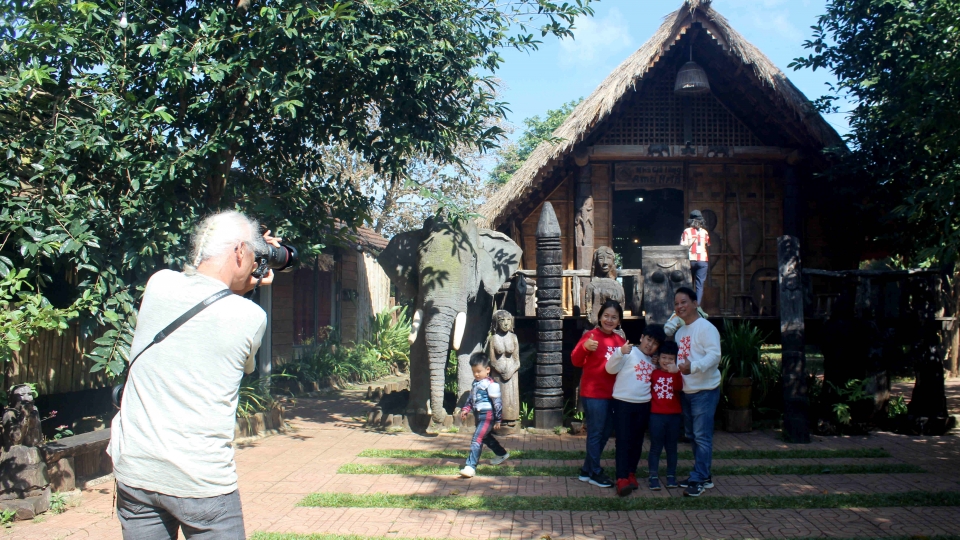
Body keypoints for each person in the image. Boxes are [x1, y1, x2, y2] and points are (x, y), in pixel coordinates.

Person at [109, 210, 280, 539]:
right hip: (200, 481)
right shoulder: (249, 316)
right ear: (239, 252)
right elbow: (241, 361)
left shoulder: (158, 283)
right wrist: (248, 287)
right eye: (255, 254)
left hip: (135, 469)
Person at [605, 324, 666, 496]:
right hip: (622, 403)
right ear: (641, 337)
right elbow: (610, 369)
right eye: (648, 339)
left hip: (643, 405)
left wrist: (659, 365)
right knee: (623, 440)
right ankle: (621, 477)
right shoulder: (628, 352)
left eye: (654, 343)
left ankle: (631, 472)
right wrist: (619, 352)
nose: (649, 345)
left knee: (637, 442)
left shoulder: (653, 362)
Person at [570, 299, 626, 489]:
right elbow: (575, 360)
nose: (609, 320)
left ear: (619, 320)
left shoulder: (620, 340)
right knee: (595, 432)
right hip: (593, 393)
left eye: (614, 317)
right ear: (600, 317)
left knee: (603, 432)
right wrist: (585, 348)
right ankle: (595, 472)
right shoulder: (591, 335)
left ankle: (587, 470)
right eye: (606, 316)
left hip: (614, 394)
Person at [673, 287, 722, 498]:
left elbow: (714, 357)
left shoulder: (706, 328)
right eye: (676, 304)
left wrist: (693, 367)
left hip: (705, 390)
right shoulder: (680, 332)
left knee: (701, 436)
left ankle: (699, 477)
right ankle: (703, 475)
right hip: (687, 390)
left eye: (683, 302)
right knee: (693, 435)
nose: (680, 307)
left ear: (695, 303)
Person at [459, 355, 510, 478]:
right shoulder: (475, 384)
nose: (476, 374)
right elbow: (471, 398)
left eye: (479, 371)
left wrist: (498, 419)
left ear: (487, 370)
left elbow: (497, 403)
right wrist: (466, 409)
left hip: (487, 416)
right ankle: (501, 453)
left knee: (477, 439)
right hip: (479, 415)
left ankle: (470, 466)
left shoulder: (491, 384)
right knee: (485, 437)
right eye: (474, 372)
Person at [647, 340, 683, 491]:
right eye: (664, 357)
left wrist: (675, 373)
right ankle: (653, 476)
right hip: (656, 415)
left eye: (670, 359)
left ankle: (671, 476)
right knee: (655, 447)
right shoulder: (654, 373)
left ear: (675, 359)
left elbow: (679, 388)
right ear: (658, 357)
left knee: (671, 447)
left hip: (674, 416)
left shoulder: (677, 374)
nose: (667, 361)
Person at [681, 210, 710, 305]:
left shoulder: (686, 231)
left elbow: (682, 246)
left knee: (688, 284)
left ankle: (687, 306)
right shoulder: (705, 232)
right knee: (699, 285)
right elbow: (708, 244)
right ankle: (696, 306)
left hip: (690, 260)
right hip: (702, 261)